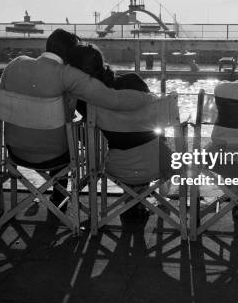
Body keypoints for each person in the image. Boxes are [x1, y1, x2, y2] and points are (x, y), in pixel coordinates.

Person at [0, 29, 155, 209]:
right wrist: (150, 99)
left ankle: (8, 208)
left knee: (59, 131)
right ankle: (59, 199)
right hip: (56, 156)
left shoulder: (15, 64)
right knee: (66, 136)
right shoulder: (67, 74)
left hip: (15, 152)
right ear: (69, 54)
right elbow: (111, 98)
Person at [68, 43, 172, 219]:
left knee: (124, 144)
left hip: (120, 166)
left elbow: (88, 137)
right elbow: (155, 125)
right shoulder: (133, 80)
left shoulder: (85, 100)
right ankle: (140, 200)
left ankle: (132, 201)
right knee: (147, 140)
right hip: (159, 161)